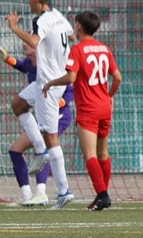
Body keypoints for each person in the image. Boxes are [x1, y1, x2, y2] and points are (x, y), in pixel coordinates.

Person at [43, 11, 122, 211]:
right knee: (102, 152)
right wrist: (109, 95)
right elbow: (118, 77)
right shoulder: (104, 49)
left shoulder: (77, 50)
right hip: (105, 107)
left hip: (88, 108)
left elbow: (71, 77)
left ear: (78, 27)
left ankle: (102, 195)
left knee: (90, 155)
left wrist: (51, 83)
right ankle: (102, 194)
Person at [6, 0, 75, 209]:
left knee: (51, 137)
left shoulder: (42, 20)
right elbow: (70, 35)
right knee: (18, 105)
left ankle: (63, 191)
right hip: (47, 80)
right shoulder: (58, 16)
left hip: (48, 84)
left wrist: (14, 28)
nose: (29, 3)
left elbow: (34, 42)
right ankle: (40, 149)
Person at [0, 42, 74, 206]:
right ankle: (26, 195)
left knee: (45, 147)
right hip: (41, 115)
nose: (24, 43)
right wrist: (7, 58)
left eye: (30, 41)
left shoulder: (50, 66)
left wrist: (54, 102)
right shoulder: (29, 63)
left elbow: (69, 92)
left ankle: (41, 193)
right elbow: (20, 65)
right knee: (15, 150)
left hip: (58, 114)